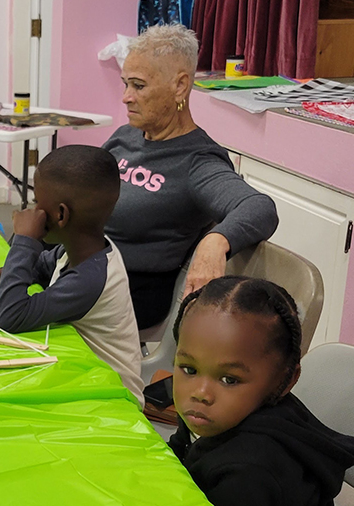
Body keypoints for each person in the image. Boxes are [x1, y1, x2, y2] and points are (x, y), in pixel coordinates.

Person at [0, 145, 145, 406]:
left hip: (112, 396)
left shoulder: (90, 279)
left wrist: (24, 239)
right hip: (86, 375)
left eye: (36, 202)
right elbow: (40, 268)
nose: (31, 209)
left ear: (60, 215)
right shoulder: (81, 250)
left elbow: (8, 317)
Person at [103, 24, 279, 329]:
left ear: (180, 86)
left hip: (131, 292)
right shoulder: (124, 138)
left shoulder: (197, 161)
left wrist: (216, 240)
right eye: (125, 84)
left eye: (138, 86)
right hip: (84, 266)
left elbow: (259, 208)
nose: (126, 98)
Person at [168, 276, 354, 506]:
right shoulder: (213, 414)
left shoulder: (248, 474)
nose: (200, 393)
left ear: (285, 381)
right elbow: (178, 453)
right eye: (189, 369)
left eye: (229, 380)